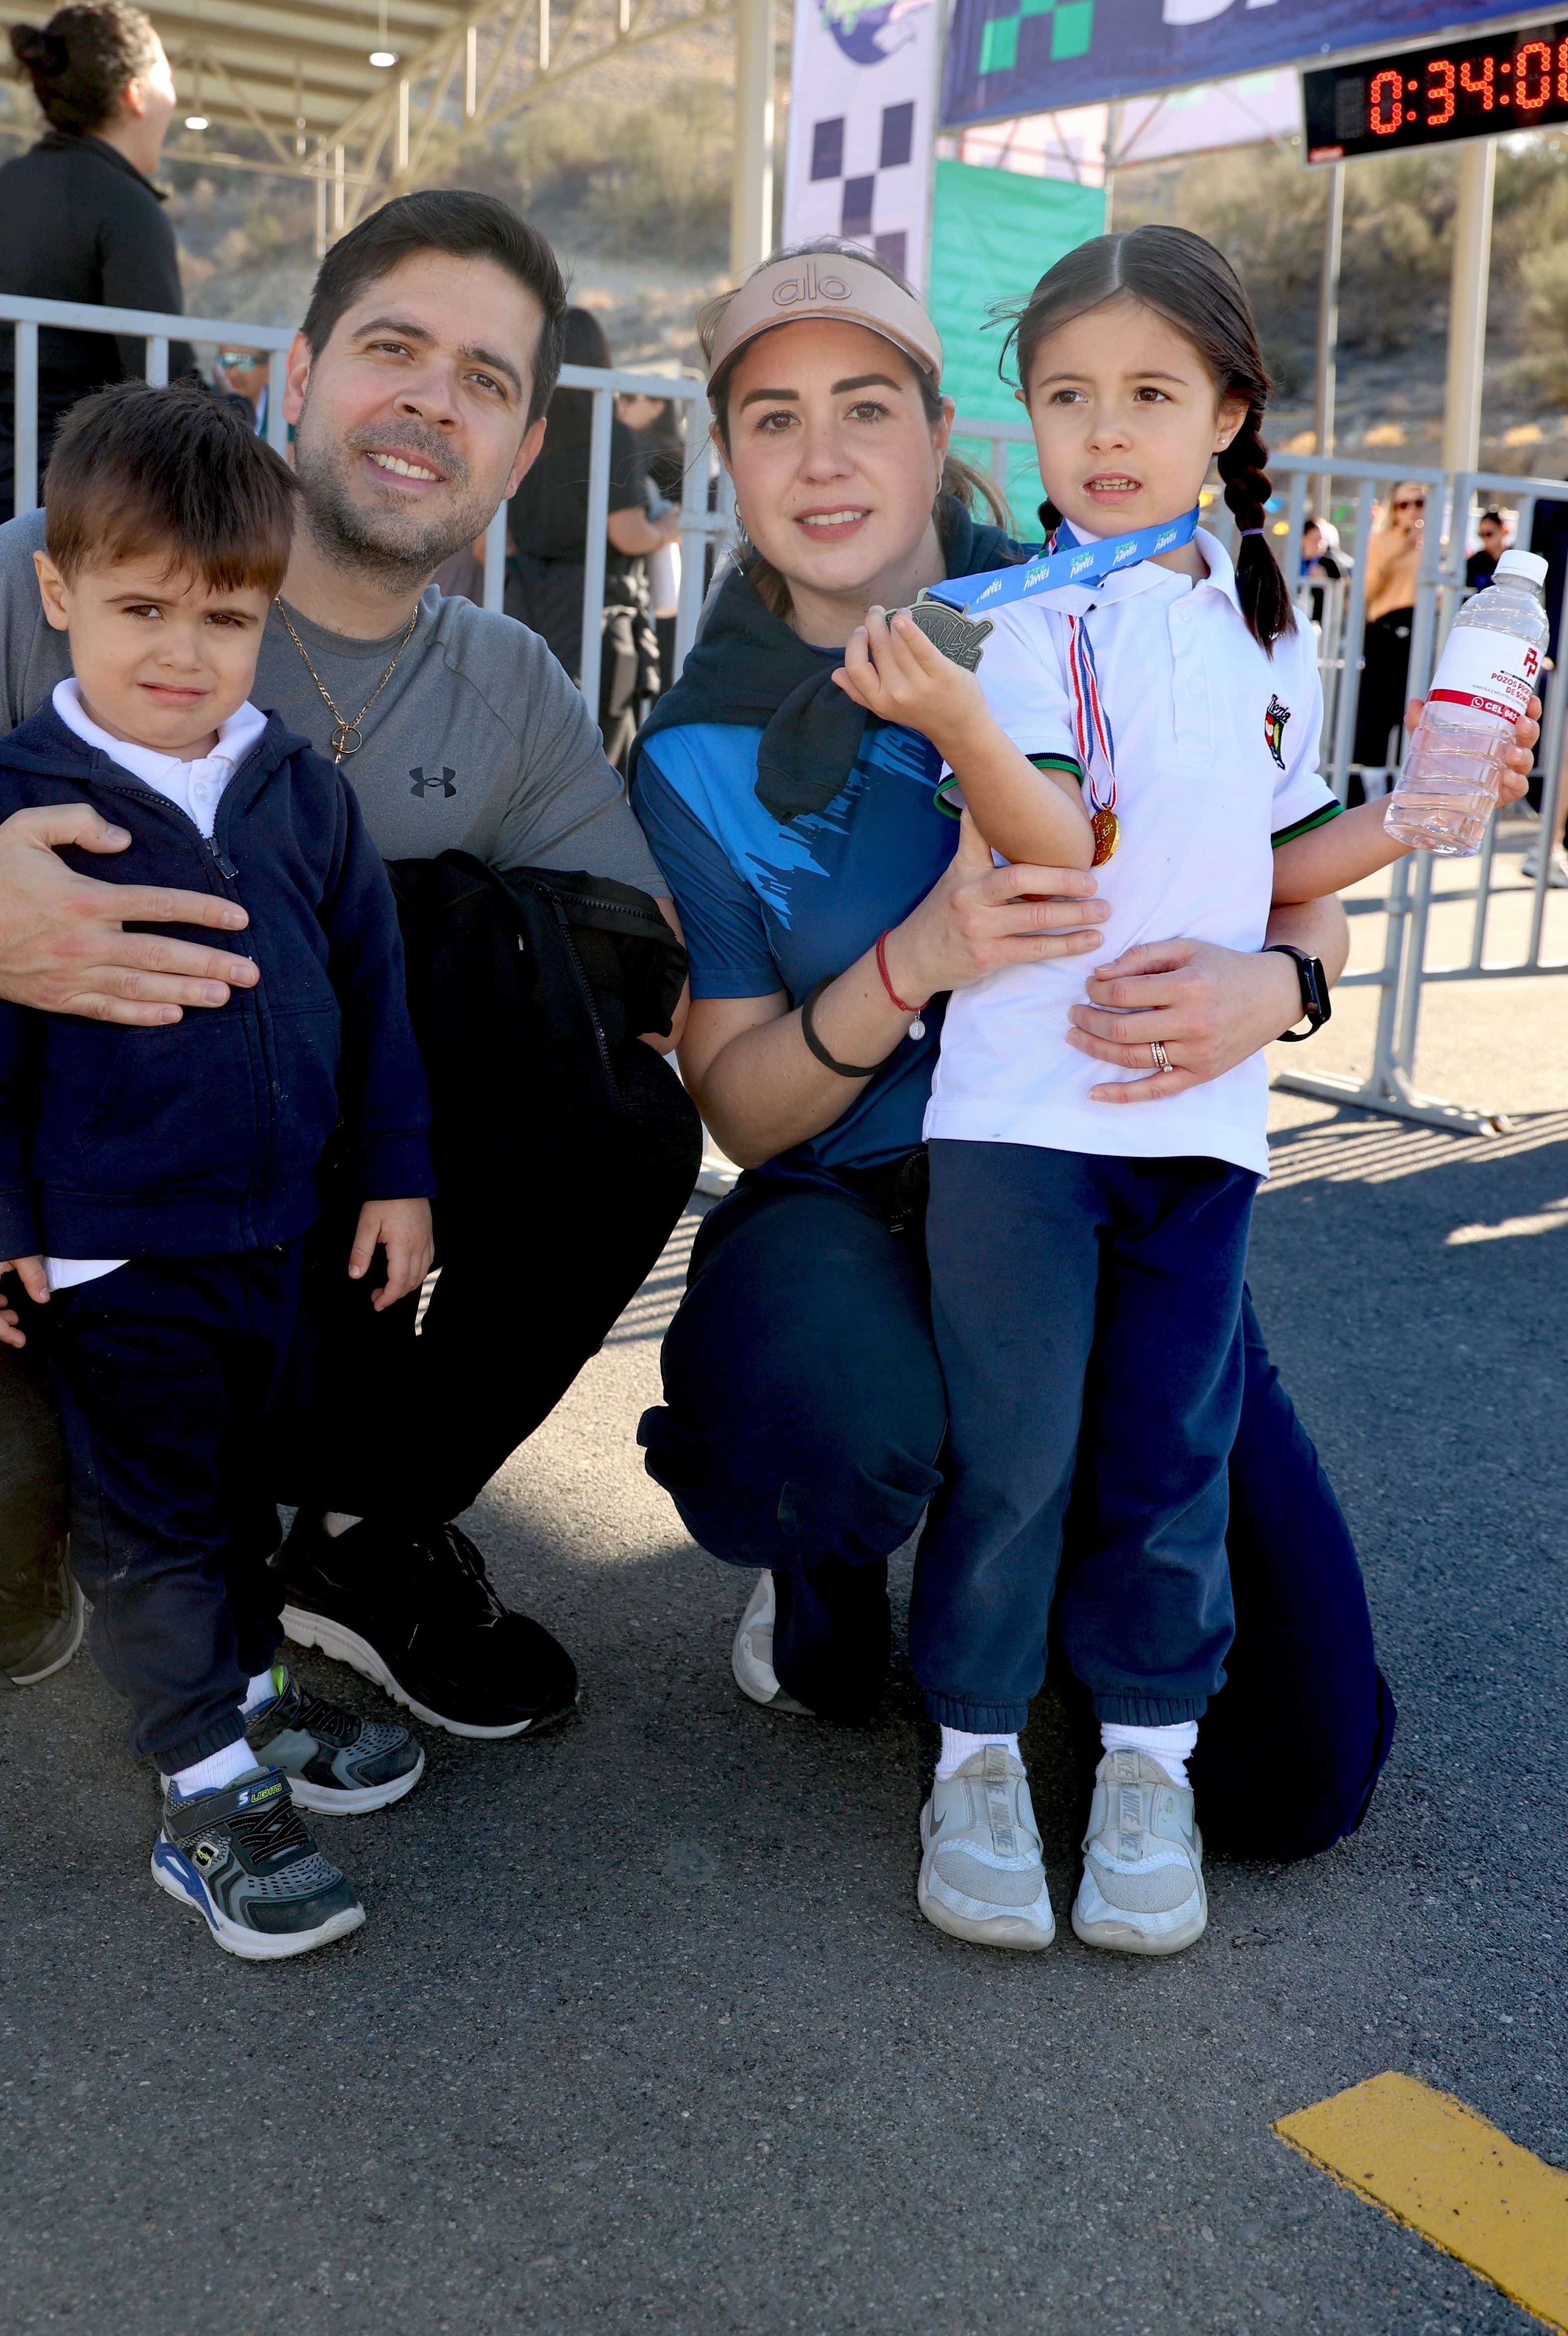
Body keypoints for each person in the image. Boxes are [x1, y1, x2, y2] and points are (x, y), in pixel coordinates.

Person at [626, 241, 1541, 1917]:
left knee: (1294, 1764)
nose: (820, 457)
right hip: (869, 1181)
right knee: (874, 1430)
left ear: (937, 431)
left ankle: (1118, 1726)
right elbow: (741, 1112)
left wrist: (1281, 974)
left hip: (1136, 1147)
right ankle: (828, 1578)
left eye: (861, 408)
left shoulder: (1109, 582)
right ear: (725, 455)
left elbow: (1260, 856)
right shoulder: (706, 740)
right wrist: (912, 958)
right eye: (770, 419)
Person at [0, 189, 693, 1746]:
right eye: (394, 348)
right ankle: (35, 1539)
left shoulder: (510, 688)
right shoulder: (48, 574)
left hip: (279, 1191)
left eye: (486, 381)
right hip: (1, 1154)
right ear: (297, 372)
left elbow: (635, 961)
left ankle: (354, 1524)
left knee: (622, 1118)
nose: (430, 404)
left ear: (528, 448)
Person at [0, 381, 433, 1960]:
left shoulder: (300, 789)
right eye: (138, 606)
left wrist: (396, 1176)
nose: (180, 650)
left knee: (236, 1495)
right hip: (108, 1249)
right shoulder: (13, 801)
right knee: (146, 1514)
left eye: (223, 614)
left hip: (275, 1239)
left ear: (268, 614)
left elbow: (373, 994)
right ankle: (203, 1792)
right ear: (59, 592)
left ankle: (251, 1691)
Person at [0, 0, 199, 541]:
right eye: (167, 76)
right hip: (89, 511)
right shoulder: (127, 206)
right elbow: (166, 385)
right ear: (136, 93)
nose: (175, 98)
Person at [504, 306, 680, 769]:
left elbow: (495, 543)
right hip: (597, 610)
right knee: (593, 758)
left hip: (521, 601)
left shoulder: (522, 432)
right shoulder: (607, 432)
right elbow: (627, 534)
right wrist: (667, 530)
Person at [1351, 478, 1425, 783]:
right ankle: (1369, 785)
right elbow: (1365, 592)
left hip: (1419, 630)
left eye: (1419, 503)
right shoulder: (1380, 541)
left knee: (1413, 710)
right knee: (1376, 716)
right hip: (1385, 630)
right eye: (1403, 505)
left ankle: (1409, 782)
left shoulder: (1434, 544)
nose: (1410, 512)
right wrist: (1397, 551)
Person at [618, 390, 687, 688]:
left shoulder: (644, 458)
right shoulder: (683, 458)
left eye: (631, 397)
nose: (621, 403)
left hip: (654, 586)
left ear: (659, 406)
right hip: (677, 590)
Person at [1297, 513, 1349, 626]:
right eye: (1314, 539)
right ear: (1303, 539)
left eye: (1322, 540)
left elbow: (1344, 600)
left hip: (1323, 625)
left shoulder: (1331, 564)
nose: (1320, 544)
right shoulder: (1295, 562)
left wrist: (1325, 581)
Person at [1465, 506, 1512, 592]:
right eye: (1481, 535)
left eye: (1489, 534)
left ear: (1504, 531)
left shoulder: (1514, 559)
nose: (1485, 539)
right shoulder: (1474, 563)